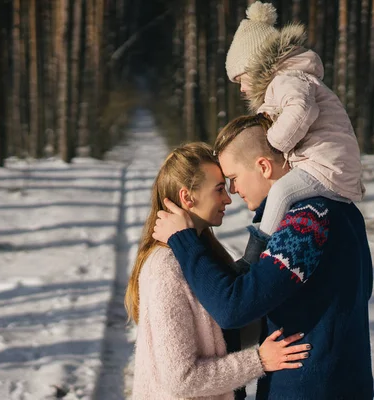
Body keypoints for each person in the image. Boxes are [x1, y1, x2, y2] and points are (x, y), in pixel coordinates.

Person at [152, 115, 374, 399]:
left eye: (232, 179)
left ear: (263, 166)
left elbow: (233, 309)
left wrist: (183, 240)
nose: (233, 192)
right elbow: (362, 291)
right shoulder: (343, 210)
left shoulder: (307, 221)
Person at [125, 142, 310, 400]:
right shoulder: (165, 268)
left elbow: (223, 335)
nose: (228, 198)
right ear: (187, 197)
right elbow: (182, 378)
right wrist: (258, 361)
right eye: (220, 189)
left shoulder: (201, 255)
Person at [225, 1, 365, 236]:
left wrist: (273, 143)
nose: (241, 89)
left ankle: (260, 251)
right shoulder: (286, 82)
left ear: (256, 65)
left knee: (281, 192)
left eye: (241, 80)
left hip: (327, 163)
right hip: (329, 160)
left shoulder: (286, 79)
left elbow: (303, 110)